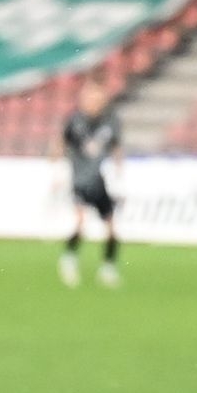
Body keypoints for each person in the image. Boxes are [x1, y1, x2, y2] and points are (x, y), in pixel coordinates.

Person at [54, 81, 124, 288]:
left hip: (98, 180)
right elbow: (61, 143)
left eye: (98, 99)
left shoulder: (110, 122)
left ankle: (108, 268)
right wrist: (56, 170)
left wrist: (120, 170)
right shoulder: (75, 121)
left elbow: (116, 146)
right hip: (80, 180)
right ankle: (69, 259)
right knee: (80, 222)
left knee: (111, 227)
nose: (94, 102)